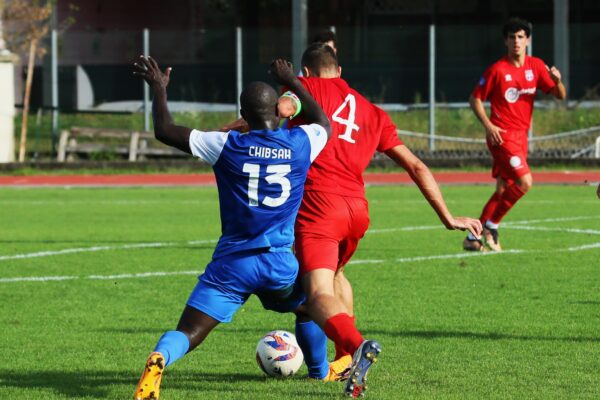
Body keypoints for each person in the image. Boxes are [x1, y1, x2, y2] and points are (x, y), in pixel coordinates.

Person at [277, 43, 483, 398]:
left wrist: (228, 133)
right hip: (357, 210)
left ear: (307, 72)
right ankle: (343, 361)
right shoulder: (373, 111)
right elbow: (416, 165)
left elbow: (273, 111)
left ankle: (356, 347)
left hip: (319, 206)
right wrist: (447, 216)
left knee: (316, 293)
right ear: (340, 71)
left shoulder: (303, 87)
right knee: (337, 274)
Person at [131, 55, 331, 400]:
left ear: (244, 114)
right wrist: (293, 82)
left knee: (190, 331)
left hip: (233, 264)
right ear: (277, 109)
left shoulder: (225, 145)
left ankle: (160, 357)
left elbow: (164, 130)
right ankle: (320, 374)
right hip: (278, 263)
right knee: (309, 307)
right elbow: (322, 122)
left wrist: (159, 89)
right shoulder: (300, 144)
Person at [463, 17, 566, 252]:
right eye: (512, 37)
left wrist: (558, 81)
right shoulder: (497, 70)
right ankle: (492, 225)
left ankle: (472, 238)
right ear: (505, 41)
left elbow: (560, 95)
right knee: (524, 182)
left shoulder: (536, 66)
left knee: (502, 190)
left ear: (527, 40)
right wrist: (489, 126)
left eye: (521, 37)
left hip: (521, 137)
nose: (516, 42)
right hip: (501, 136)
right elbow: (474, 98)